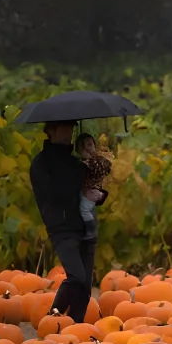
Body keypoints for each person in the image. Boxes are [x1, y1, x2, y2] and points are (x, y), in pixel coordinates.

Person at [30, 120, 107, 323]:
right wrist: (79, 189)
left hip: (86, 227)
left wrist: (98, 194)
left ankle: (76, 328)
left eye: (71, 128)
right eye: (63, 128)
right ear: (50, 131)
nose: (68, 133)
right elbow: (53, 194)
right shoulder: (41, 164)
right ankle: (52, 318)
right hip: (62, 227)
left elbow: (89, 188)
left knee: (85, 287)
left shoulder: (76, 163)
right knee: (76, 278)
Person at [75, 132, 111, 241]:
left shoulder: (93, 162)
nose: (91, 147)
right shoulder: (92, 161)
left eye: (92, 144)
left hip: (91, 191)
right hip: (90, 191)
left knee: (85, 210)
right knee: (87, 210)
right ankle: (89, 231)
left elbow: (106, 168)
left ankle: (91, 231)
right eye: (87, 145)